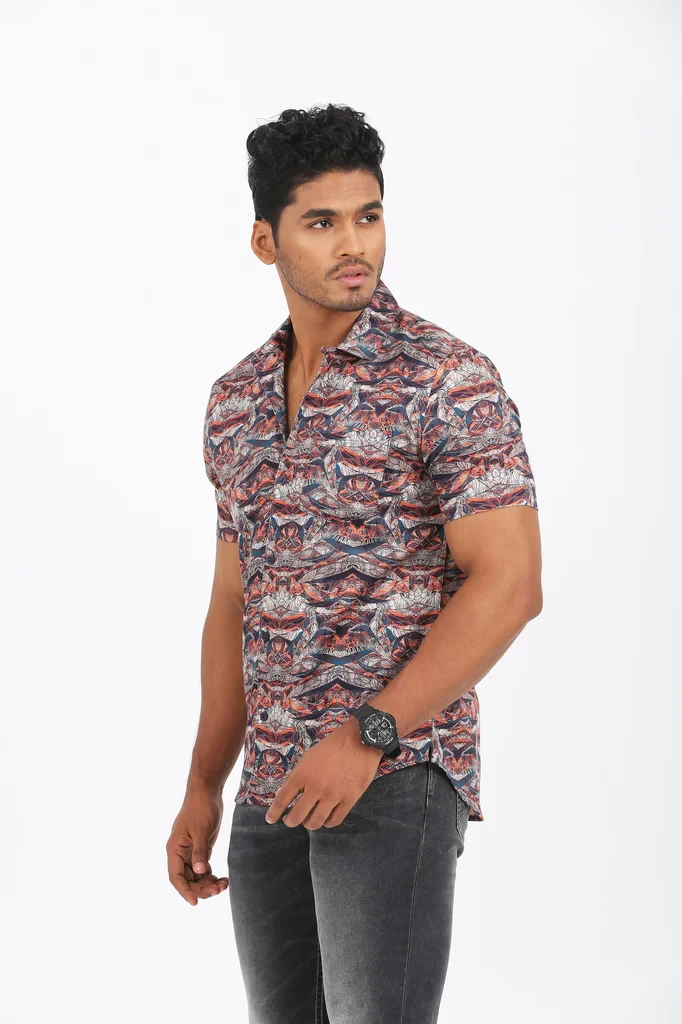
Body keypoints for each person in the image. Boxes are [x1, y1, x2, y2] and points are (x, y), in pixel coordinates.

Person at [166, 102, 543, 1024]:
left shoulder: (447, 379)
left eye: (368, 216)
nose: (353, 244)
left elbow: (510, 584)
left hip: (394, 772)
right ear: (266, 241)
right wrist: (206, 782)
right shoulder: (236, 403)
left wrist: (367, 737)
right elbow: (233, 601)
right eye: (322, 221)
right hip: (271, 785)